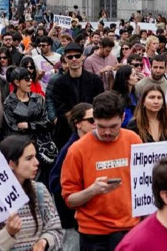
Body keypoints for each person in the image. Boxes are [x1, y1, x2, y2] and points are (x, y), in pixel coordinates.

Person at [61, 91, 143, 250]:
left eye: (113, 126)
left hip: (129, 229)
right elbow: (69, 200)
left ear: (123, 118)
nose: (107, 132)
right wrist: (92, 191)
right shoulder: (77, 150)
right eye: (101, 126)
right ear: (94, 122)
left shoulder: (134, 139)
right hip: (94, 234)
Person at [0, 136, 64, 250]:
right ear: (11, 164)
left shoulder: (40, 191)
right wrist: (7, 233)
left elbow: (57, 231)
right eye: (29, 158)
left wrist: (44, 242)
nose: (37, 162)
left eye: (35, 156)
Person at [49, 103, 94, 251]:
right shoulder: (70, 149)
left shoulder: (92, 144)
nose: (96, 123)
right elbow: (54, 182)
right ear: (78, 124)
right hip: (72, 217)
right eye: (91, 120)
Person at [46, 43, 105, 148]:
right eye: (70, 57)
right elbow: (61, 109)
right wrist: (80, 122)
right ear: (65, 59)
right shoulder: (59, 83)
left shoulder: (95, 80)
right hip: (66, 132)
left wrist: (87, 123)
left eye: (77, 56)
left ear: (82, 57)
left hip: (92, 128)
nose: (74, 59)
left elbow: (99, 105)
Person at [127, 85, 167, 152]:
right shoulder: (134, 125)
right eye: (152, 97)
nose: (156, 101)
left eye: (159, 98)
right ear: (143, 101)